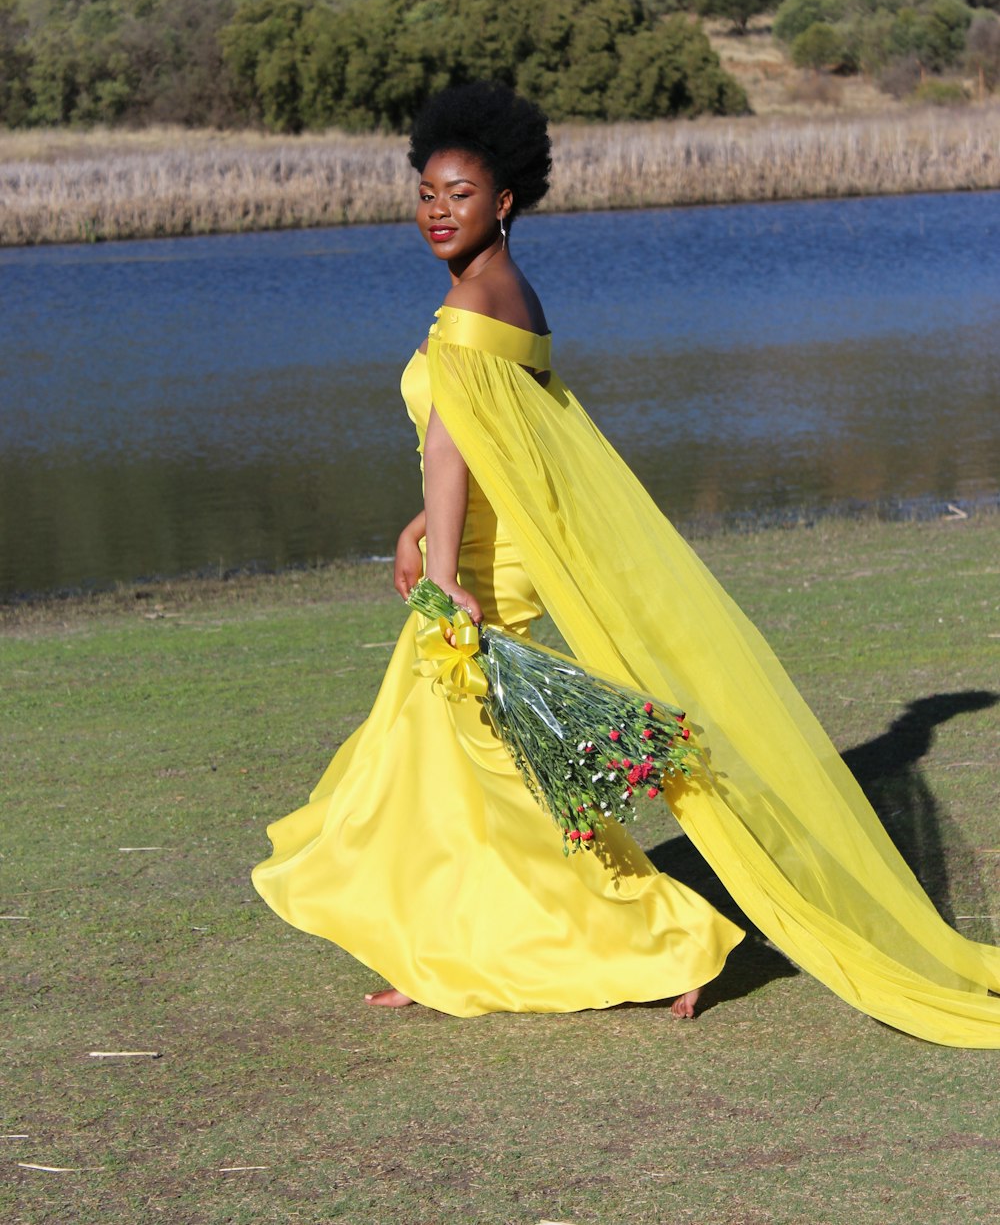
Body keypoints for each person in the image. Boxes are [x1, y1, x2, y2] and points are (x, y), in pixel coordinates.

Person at [253, 82, 1000, 1046]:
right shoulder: (507, 294)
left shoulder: (475, 305)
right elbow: (497, 440)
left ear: (506, 201)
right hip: (483, 542)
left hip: (479, 562)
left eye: (460, 195)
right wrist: (420, 531)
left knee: (478, 757)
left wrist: (444, 566)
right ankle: (445, 949)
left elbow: (452, 446)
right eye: (428, 194)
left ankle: (666, 940)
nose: (438, 212)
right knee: (449, 757)